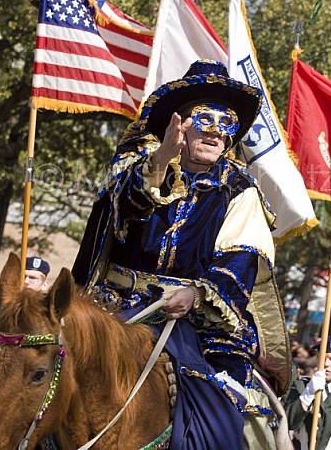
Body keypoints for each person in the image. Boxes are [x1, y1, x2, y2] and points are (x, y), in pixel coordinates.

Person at [72, 60, 290, 449]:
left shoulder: (240, 191)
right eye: (205, 119)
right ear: (180, 126)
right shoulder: (140, 168)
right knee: (44, 365)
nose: (216, 132)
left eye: (226, 124)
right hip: (114, 305)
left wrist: (197, 294)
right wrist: (161, 159)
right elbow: (120, 209)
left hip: (195, 320)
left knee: (235, 413)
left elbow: (240, 263)